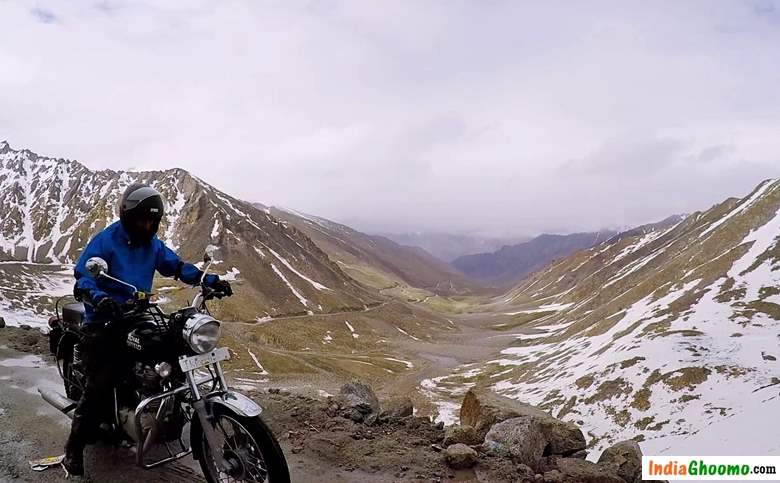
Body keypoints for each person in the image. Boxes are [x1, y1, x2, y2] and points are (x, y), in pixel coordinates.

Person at [63, 183, 232, 476]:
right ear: (127, 216)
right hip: (103, 321)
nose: (148, 225)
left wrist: (209, 280)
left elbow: (176, 266)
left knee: (172, 350)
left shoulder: (152, 244)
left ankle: (165, 412)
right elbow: (82, 278)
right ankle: (73, 450)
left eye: (153, 221)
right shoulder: (106, 240)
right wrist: (98, 297)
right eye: (142, 220)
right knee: (100, 385)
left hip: (136, 315)